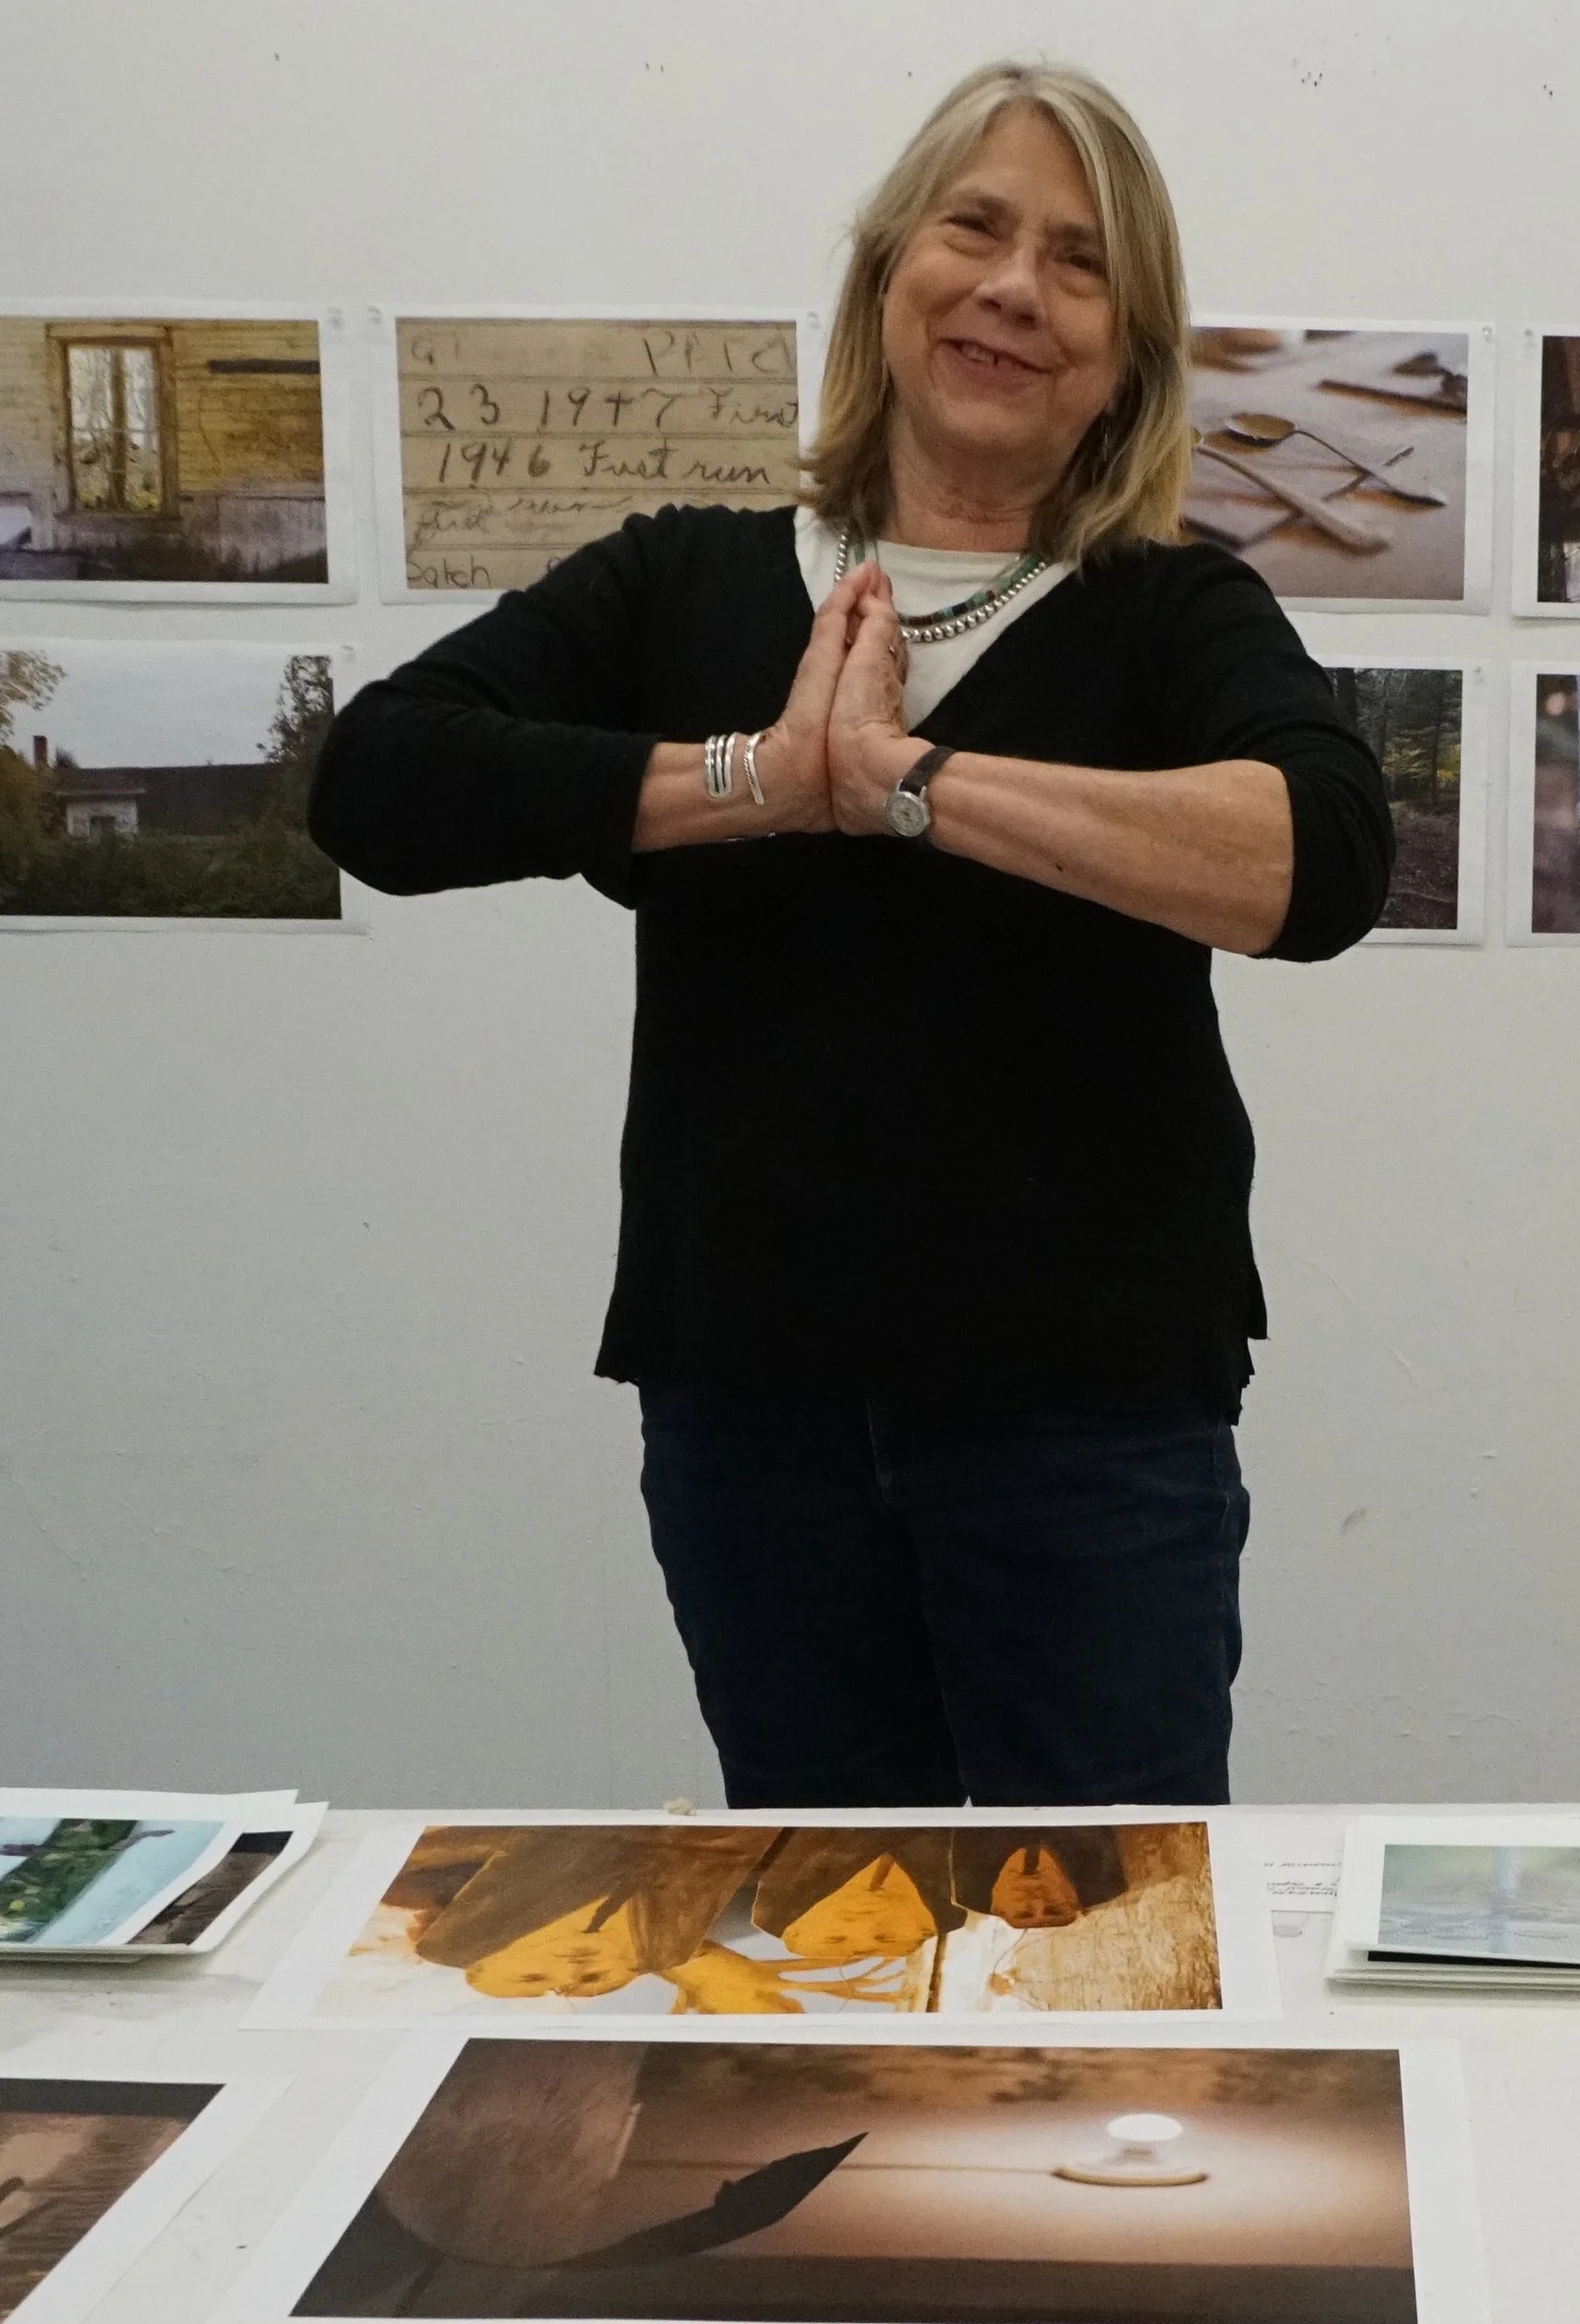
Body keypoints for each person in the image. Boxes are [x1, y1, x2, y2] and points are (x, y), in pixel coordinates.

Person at [307, 61, 1392, 1811]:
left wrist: (906, 782)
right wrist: (762, 776)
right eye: (976, 228)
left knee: (1102, 1934)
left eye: (1081, 263)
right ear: (888, 270)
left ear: (1127, 355)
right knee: (827, 1935)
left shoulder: (1173, 611)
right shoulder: (685, 578)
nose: (1015, 288)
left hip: (1097, 1430)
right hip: (754, 1421)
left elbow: (1324, 856)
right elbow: (378, 779)